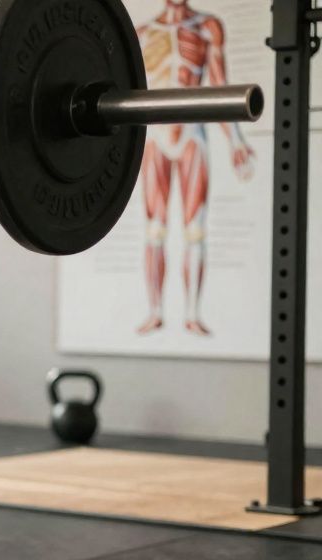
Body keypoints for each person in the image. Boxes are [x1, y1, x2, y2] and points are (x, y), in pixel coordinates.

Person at [135, 0, 255, 337]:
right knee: (154, 229)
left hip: (191, 135)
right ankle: (156, 311)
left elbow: (219, 89)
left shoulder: (207, 27)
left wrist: (236, 141)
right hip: (155, 137)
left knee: (195, 230)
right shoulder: (142, 34)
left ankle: (191, 313)